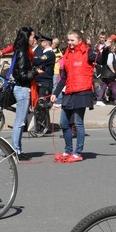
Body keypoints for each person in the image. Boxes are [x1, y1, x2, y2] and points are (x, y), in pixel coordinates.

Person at [50, 28, 95, 163]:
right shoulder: (67, 53)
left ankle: (78, 152)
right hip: (69, 92)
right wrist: (55, 93)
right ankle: (68, 150)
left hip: (82, 92)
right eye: (68, 40)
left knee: (78, 123)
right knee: (64, 123)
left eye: (72, 40)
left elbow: (100, 59)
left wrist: (105, 50)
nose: (69, 42)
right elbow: (64, 77)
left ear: (79, 40)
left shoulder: (88, 52)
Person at [9, 27, 37, 161]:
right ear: (27, 38)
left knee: (20, 122)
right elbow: (21, 75)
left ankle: (18, 149)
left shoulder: (22, 52)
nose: (34, 39)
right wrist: (35, 73)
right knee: (19, 122)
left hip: (22, 89)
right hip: (22, 89)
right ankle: (15, 150)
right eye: (32, 36)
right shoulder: (21, 53)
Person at [95, 36, 116, 105]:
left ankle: (99, 100)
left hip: (105, 73)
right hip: (109, 74)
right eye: (114, 47)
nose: (115, 48)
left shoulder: (110, 53)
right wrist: (113, 71)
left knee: (103, 86)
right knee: (114, 87)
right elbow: (109, 63)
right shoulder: (111, 54)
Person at [32, 33, 56, 98]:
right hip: (40, 81)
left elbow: (38, 61)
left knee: (42, 105)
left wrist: (29, 58)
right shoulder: (44, 53)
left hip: (45, 83)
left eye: (42, 41)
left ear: (45, 43)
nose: (40, 43)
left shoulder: (49, 54)